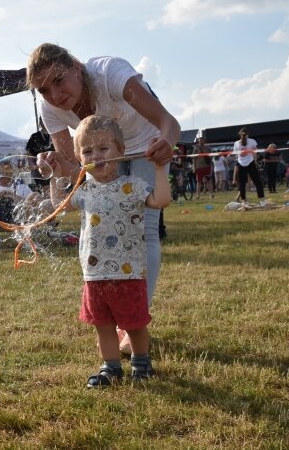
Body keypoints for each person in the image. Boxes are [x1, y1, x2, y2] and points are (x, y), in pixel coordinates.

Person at [27, 42, 179, 307]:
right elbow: (74, 168)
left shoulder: (110, 73)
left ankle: (137, 316)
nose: (54, 95)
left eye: (59, 80)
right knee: (108, 224)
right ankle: (119, 303)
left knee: (145, 228)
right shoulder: (49, 108)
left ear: (76, 66)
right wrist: (54, 165)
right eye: (44, 90)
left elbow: (169, 123)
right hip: (103, 154)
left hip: (146, 144)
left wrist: (166, 143)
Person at [50, 115, 171, 387]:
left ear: (121, 152)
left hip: (128, 272)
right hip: (95, 274)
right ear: (81, 158)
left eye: (104, 148)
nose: (96, 155)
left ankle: (141, 362)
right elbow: (58, 205)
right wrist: (56, 175)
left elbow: (162, 200)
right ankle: (111, 367)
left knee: (135, 324)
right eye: (88, 151)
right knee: (103, 325)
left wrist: (160, 167)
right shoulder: (84, 190)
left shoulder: (132, 186)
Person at [0, 160, 40, 252]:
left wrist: (15, 196)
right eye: (3, 172)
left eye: (9, 172)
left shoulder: (22, 188)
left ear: (13, 173)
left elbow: (34, 202)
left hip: (19, 217)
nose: (6, 174)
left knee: (34, 195)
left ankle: (26, 238)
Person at [232, 128, 267, 205]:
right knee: (257, 182)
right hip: (250, 163)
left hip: (241, 164)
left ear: (240, 134)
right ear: (248, 134)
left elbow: (235, 155)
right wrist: (255, 161)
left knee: (242, 183)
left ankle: (244, 201)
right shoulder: (252, 141)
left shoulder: (236, 143)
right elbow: (255, 152)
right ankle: (262, 200)